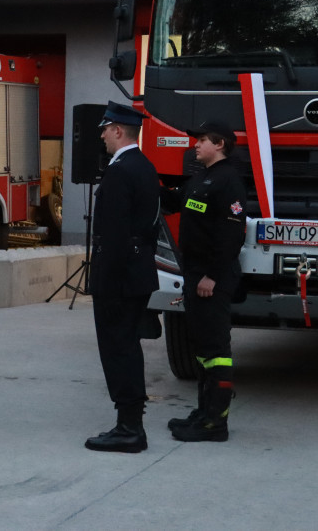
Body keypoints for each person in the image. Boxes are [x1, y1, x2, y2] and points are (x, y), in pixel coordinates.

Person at [161, 122, 247, 442]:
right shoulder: (201, 177)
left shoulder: (229, 181)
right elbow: (174, 202)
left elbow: (232, 235)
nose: (195, 145)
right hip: (195, 274)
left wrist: (212, 275)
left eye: (201, 141)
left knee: (215, 350)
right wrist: (146, 181)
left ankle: (216, 422)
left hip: (213, 278)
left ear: (220, 144)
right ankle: (204, 411)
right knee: (202, 349)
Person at [84, 101, 160, 453]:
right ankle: (130, 422)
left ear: (118, 131)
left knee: (118, 350)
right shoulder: (143, 165)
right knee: (126, 347)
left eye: (105, 129)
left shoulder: (121, 170)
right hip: (137, 272)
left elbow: (113, 235)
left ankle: (129, 428)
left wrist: (105, 283)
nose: (101, 135)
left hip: (119, 278)